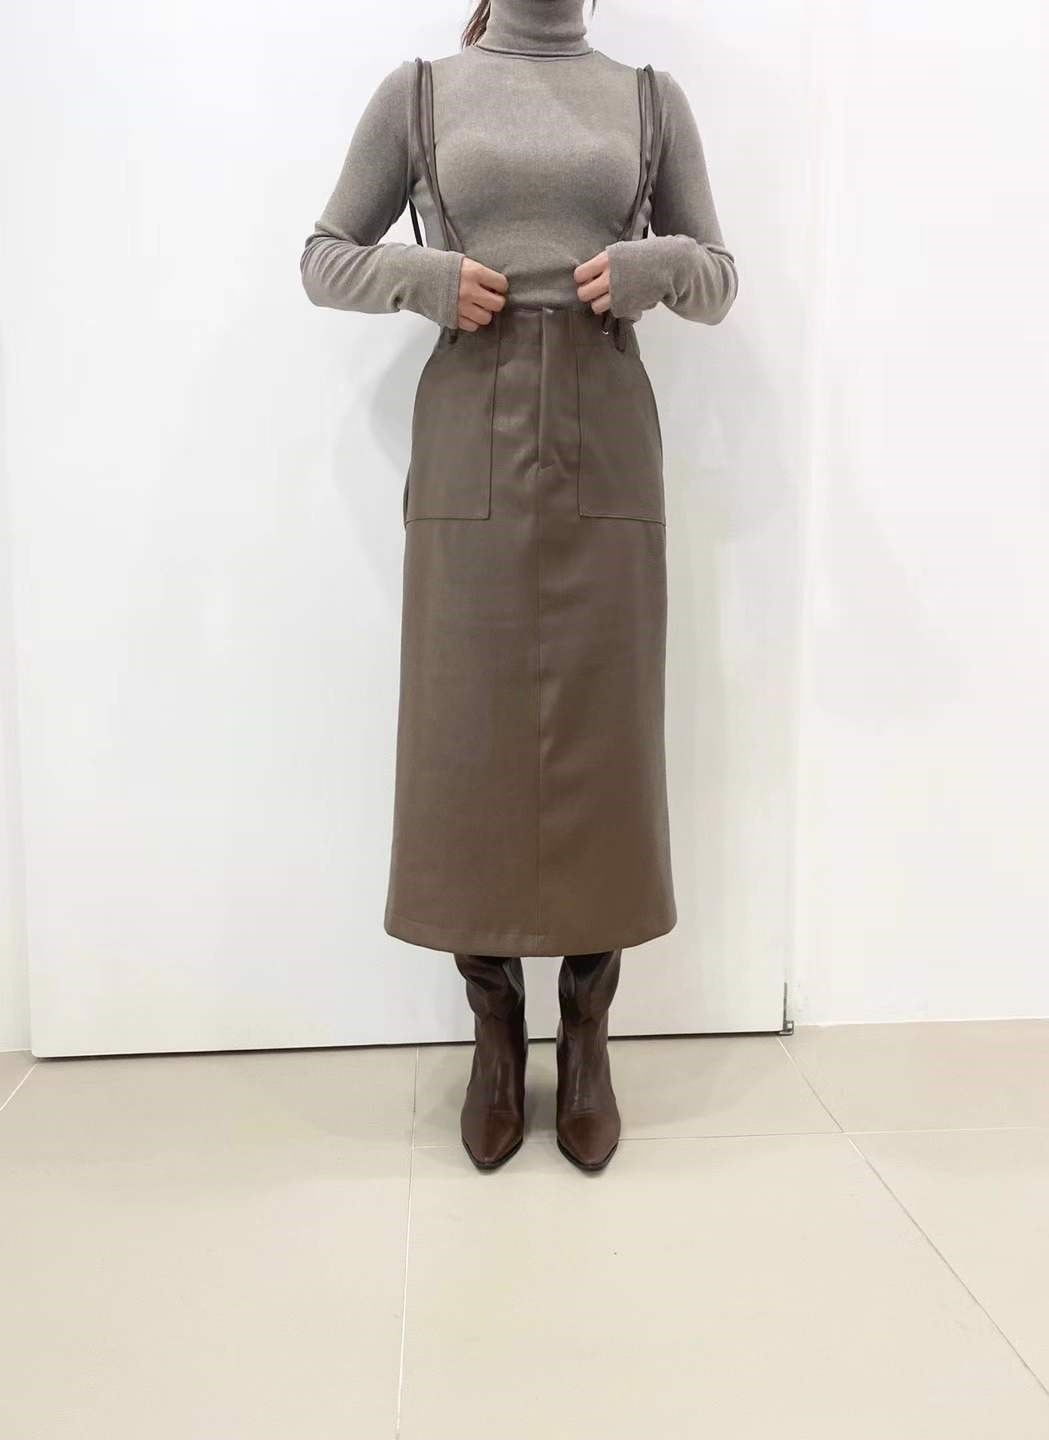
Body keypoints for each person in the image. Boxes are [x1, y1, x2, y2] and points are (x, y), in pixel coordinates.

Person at [300, 0, 738, 1173]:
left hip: (605, 427)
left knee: (604, 728)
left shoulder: (647, 98)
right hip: (469, 428)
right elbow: (323, 256)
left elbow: (717, 278)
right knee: (468, 730)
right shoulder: (419, 93)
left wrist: (655, 266)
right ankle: (494, 1026)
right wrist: (422, 276)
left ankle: (586, 1030)